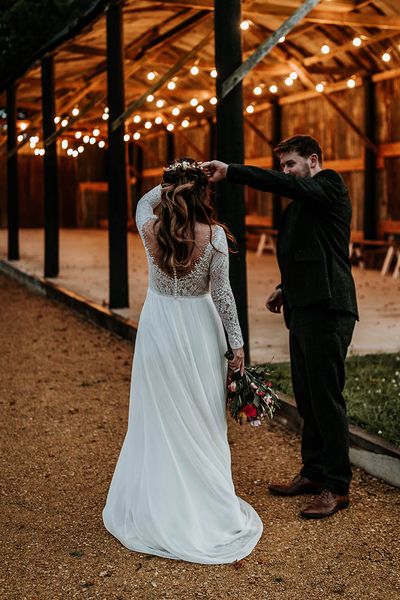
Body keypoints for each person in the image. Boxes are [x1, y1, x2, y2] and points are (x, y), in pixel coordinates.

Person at [102, 158, 263, 563]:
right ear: (203, 195)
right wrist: (237, 346)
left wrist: (171, 180)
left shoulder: (149, 228)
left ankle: (160, 501)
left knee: (158, 413)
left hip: (159, 325)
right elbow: (224, 297)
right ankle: (203, 502)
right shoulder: (215, 238)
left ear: (171, 194)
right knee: (200, 414)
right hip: (198, 328)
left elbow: (143, 203)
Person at [202, 135, 358, 520]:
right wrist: (285, 288)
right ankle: (312, 472)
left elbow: (287, 187)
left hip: (329, 308)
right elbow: (309, 253)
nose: (285, 172)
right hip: (304, 308)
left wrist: (233, 172)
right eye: (283, 165)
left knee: (326, 396)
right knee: (306, 396)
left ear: (313, 161)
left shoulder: (330, 185)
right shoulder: (300, 207)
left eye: (291, 164)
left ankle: (337, 487)